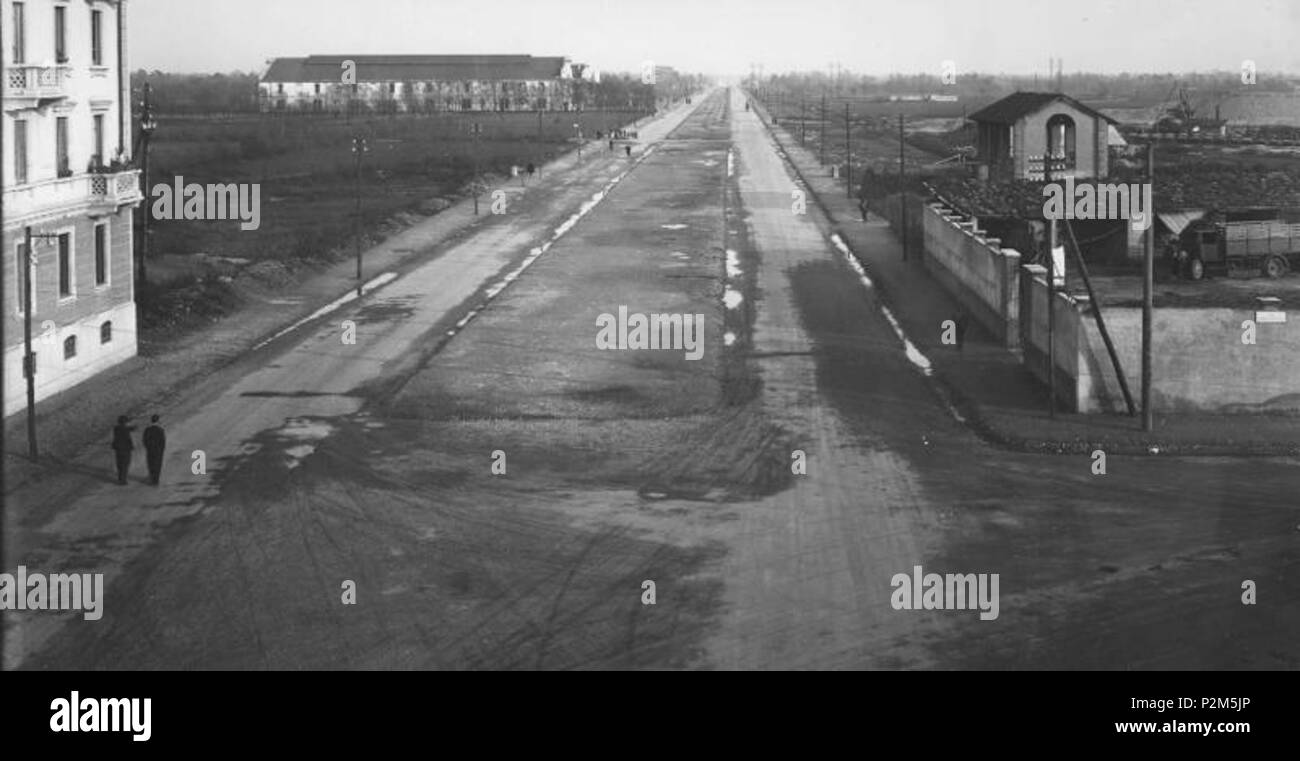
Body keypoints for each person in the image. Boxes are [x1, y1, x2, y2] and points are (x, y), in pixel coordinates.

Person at [143, 415, 167, 486]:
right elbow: (162, 441)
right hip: (158, 450)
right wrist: (162, 450)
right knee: (158, 464)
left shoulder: (147, 429)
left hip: (150, 450)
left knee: (150, 464)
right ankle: (156, 480)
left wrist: (147, 447)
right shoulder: (160, 430)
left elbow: (145, 440)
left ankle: (152, 477)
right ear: (158, 420)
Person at [111, 416, 135, 485]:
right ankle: (123, 480)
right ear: (125, 422)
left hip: (118, 449)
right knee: (125, 464)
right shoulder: (125, 429)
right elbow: (129, 429)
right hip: (126, 449)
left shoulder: (116, 428)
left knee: (119, 464)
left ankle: (120, 478)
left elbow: (127, 428)